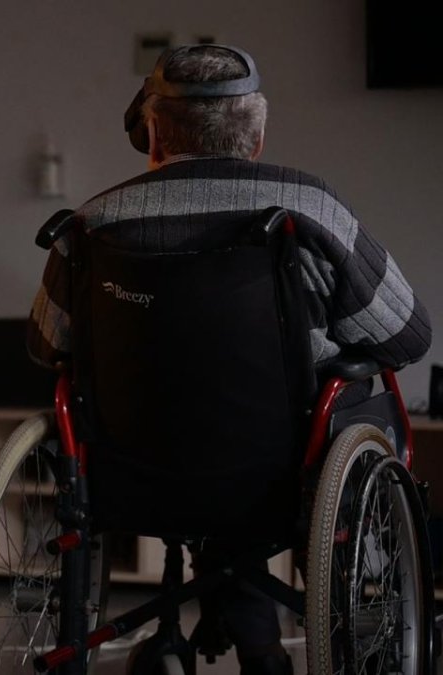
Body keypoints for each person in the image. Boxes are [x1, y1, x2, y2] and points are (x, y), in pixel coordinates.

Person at [28, 45, 431, 675]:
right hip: (286, 471)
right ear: (257, 134)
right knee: (326, 406)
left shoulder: (93, 222)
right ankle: (265, 646)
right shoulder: (310, 208)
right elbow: (407, 336)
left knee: (208, 453)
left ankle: (247, 635)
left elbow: (46, 346)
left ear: (153, 131)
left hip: (135, 474)